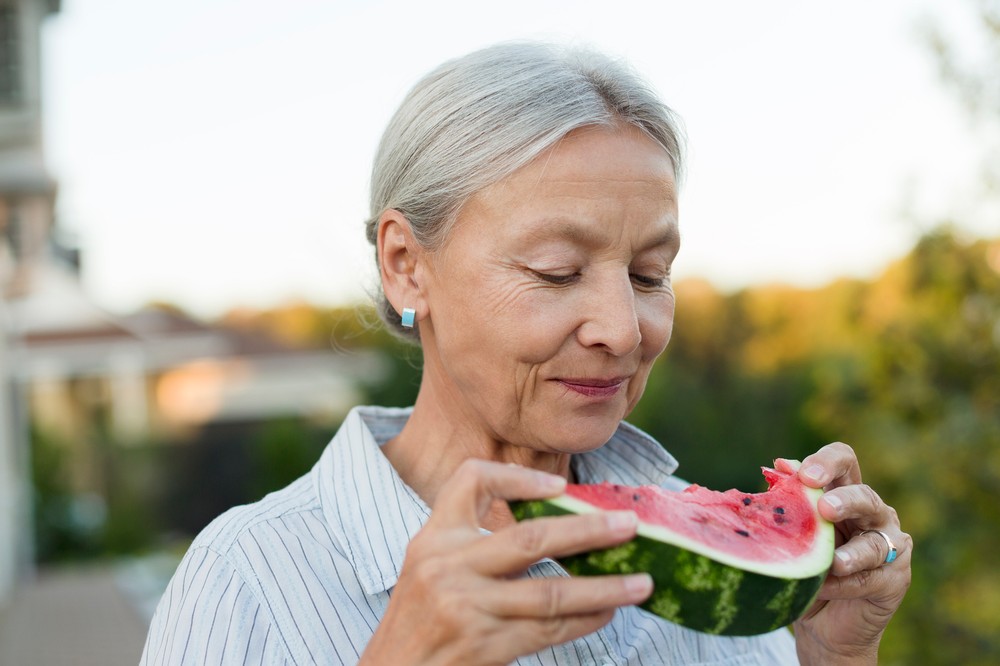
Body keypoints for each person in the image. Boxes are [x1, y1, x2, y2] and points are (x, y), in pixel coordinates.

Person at [140, 42, 911, 665]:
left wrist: (832, 657)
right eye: (555, 271)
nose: (623, 327)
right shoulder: (248, 579)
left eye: (649, 274)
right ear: (406, 263)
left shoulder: (722, 588)